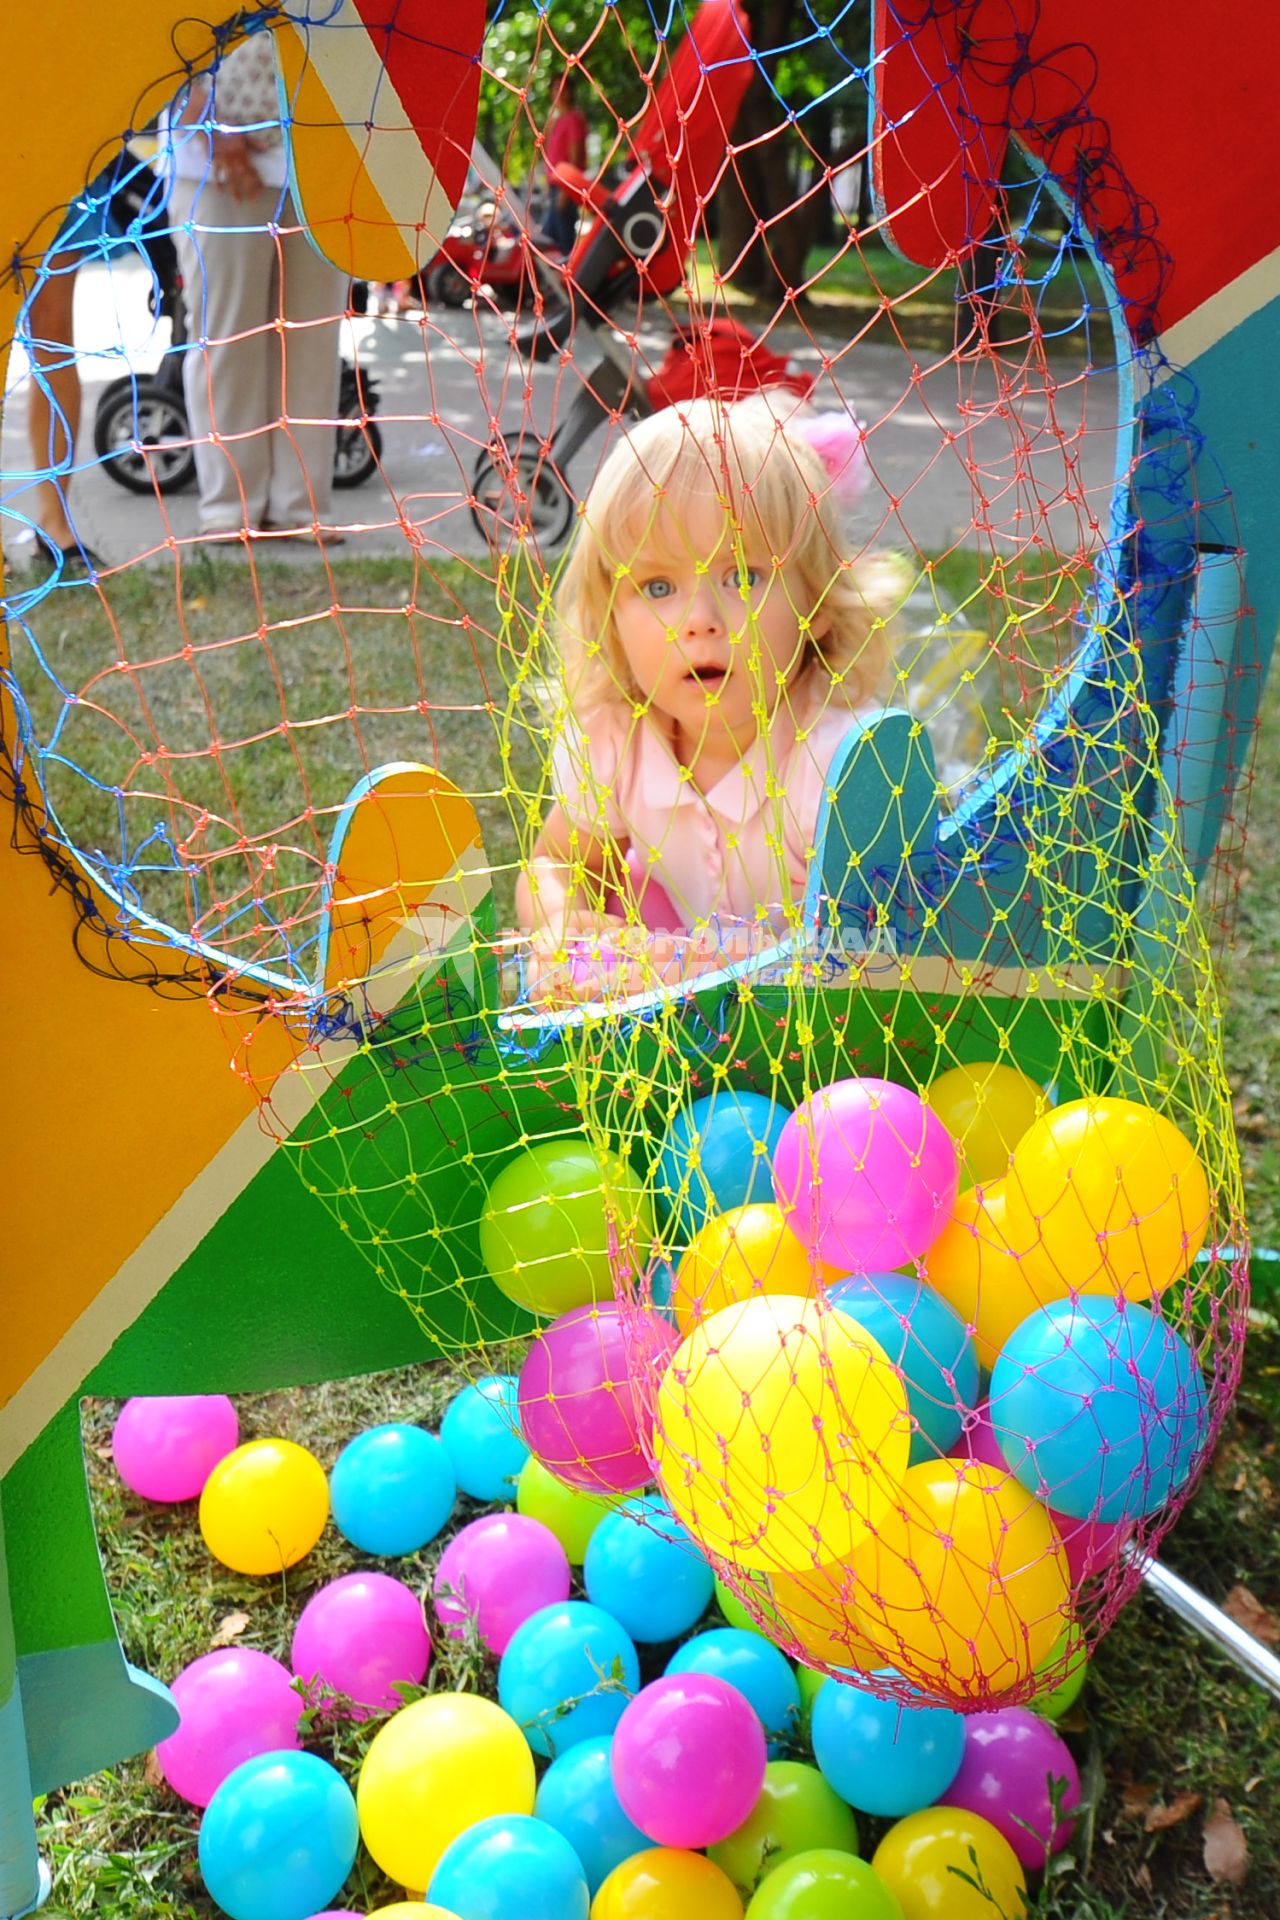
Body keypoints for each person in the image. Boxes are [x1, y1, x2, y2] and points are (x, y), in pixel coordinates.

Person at [515, 393, 891, 992]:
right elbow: (557, 860)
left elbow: (886, 944)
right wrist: (562, 917)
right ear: (610, 620)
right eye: (658, 585)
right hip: (681, 956)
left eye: (742, 576)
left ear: (818, 602)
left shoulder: (841, 758)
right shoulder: (616, 737)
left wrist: (735, 967)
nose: (700, 619)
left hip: (815, 1008)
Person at [164, 31, 346, 543]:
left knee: (313, 339)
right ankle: (230, 506)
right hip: (212, 165)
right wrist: (207, 118)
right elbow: (159, 34)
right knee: (227, 338)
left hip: (324, 159)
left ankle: (304, 506)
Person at [541, 74, 588, 255]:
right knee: (549, 239)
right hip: (554, 188)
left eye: (563, 88)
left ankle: (570, 280)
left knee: (562, 243)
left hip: (564, 189)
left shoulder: (573, 119)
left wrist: (565, 190)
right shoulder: (556, 121)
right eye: (555, 88)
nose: (559, 92)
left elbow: (575, 158)